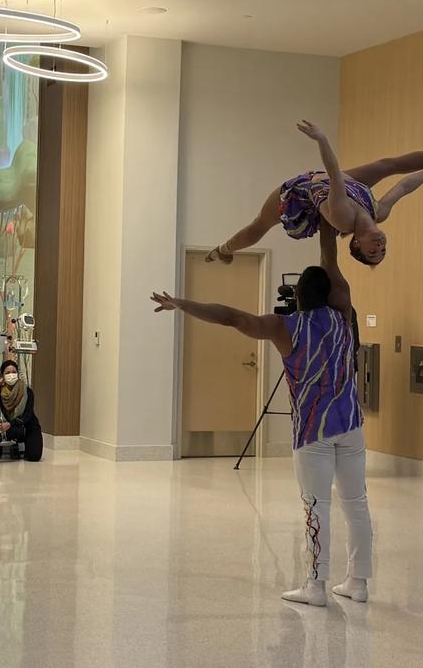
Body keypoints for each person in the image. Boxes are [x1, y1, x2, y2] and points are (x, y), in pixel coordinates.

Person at [151, 220, 373, 606]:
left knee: (315, 505)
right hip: (351, 426)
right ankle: (359, 582)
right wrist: (324, 224)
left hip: (312, 433)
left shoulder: (284, 326)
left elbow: (232, 317)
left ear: (298, 298)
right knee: (356, 503)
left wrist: (181, 303)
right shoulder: (344, 315)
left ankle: (316, 586)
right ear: (331, 293)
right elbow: (330, 263)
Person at [206, 120, 423, 266]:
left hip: (300, 194)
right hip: (342, 183)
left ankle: (224, 249)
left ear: (356, 244)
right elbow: (404, 187)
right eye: (383, 250)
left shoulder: (343, 219)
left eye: (372, 250)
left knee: (260, 225)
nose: (380, 245)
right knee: (387, 165)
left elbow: (333, 173)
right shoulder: (379, 213)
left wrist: (322, 139)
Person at [0, 360, 43, 462]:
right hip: (10, 427)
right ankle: (14, 444)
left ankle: (24, 443)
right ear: (2, 375)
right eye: (7, 373)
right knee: (11, 431)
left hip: (28, 426)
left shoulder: (27, 391)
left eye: (13, 372)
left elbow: (28, 415)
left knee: (34, 457)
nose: (11, 375)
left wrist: (10, 424)